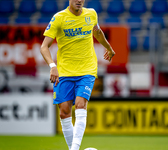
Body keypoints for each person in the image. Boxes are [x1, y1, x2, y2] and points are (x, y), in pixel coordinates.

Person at [40, 0, 115, 150]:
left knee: (81, 105)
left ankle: (74, 149)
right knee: (64, 112)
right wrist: (52, 66)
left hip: (87, 70)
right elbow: (44, 47)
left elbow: (98, 33)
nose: (79, 0)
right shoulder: (59, 18)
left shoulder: (91, 14)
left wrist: (109, 48)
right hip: (64, 72)